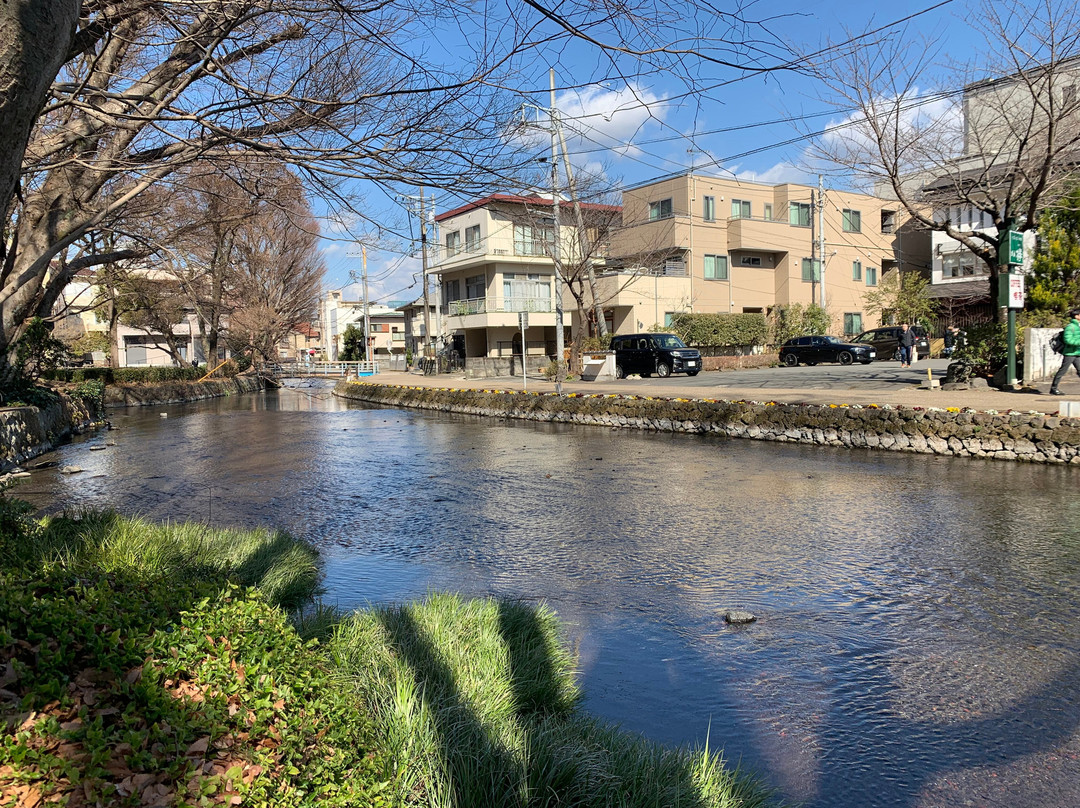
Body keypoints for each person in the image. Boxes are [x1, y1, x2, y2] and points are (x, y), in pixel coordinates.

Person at [1049, 309, 1080, 396]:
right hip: (1070, 353)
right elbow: (1068, 340)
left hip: (1077, 352)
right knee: (1062, 370)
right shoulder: (1070, 327)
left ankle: (1054, 389)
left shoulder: (1078, 326)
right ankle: (1053, 389)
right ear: (1076, 316)